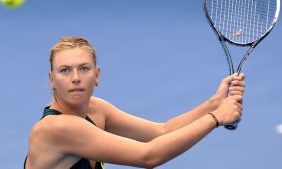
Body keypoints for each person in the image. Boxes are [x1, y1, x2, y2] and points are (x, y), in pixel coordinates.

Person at [24, 36, 245, 169]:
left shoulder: (97, 110)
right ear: (52, 79)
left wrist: (214, 103)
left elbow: (162, 131)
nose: (75, 77)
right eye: (64, 71)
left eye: (84, 68)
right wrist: (215, 118)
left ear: (97, 75)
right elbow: (148, 156)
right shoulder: (57, 128)